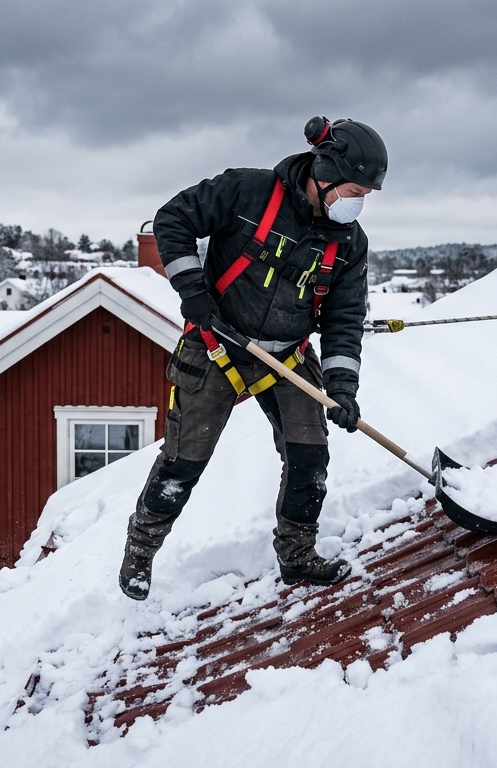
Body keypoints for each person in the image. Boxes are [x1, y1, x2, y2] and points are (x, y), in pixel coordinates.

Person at [119, 117, 388, 601]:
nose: (358, 202)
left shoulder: (349, 243)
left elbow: (344, 320)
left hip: (287, 356)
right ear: (322, 172)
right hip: (217, 343)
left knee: (309, 457)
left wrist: (342, 388)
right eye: (353, 189)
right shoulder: (246, 192)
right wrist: (193, 294)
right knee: (185, 461)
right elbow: (172, 220)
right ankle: (139, 552)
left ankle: (297, 555)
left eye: (366, 194)